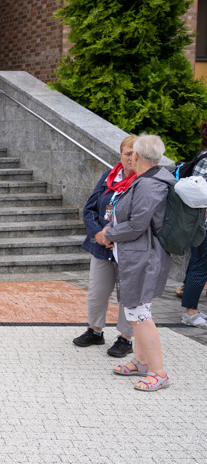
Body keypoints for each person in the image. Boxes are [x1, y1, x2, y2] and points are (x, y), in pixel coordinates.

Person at [99, 134, 176, 391]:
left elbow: (138, 224)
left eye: (132, 153)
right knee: (136, 312)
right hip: (139, 254)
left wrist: (107, 234)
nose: (128, 157)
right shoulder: (148, 181)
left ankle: (158, 372)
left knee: (141, 314)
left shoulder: (149, 184)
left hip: (144, 256)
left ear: (138, 157)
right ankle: (142, 362)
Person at [72, 136, 137, 357]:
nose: (131, 157)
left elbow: (140, 219)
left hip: (128, 248)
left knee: (128, 295)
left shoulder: (143, 182)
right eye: (127, 153)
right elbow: (89, 209)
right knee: (97, 292)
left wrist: (115, 236)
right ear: (120, 154)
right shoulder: (109, 176)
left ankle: (125, 338)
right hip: (101, 245)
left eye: (135, 154)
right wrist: (99, 234)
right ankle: (95, 331)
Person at [178, 123, 207, 329]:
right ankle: (190, 313)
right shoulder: (205, 160)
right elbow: (198, 193)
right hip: (204, 224)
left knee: (198, 266)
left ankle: (192, 310)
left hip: (201, 224)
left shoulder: (202, 155)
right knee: (200, 267)